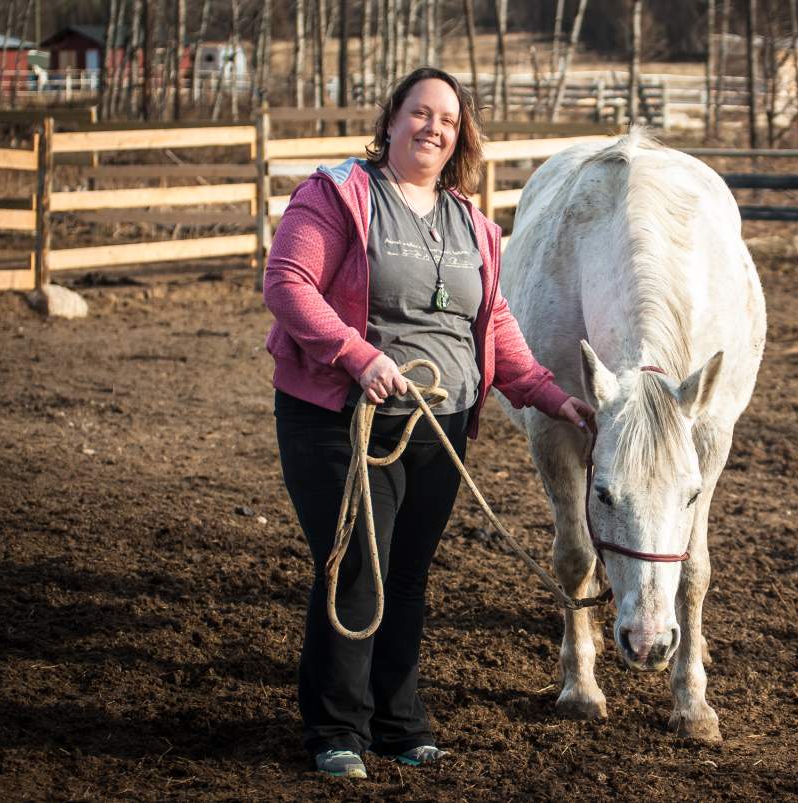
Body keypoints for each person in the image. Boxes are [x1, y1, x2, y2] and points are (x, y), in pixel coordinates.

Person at [263, 67, 593, 778]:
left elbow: (492, 317)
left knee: (407, 576)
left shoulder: (470, 221)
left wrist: (544, 390)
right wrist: (356, 355)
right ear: (390, 121)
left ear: (459, 137)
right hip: (344, 417)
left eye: (447, 118)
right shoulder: (340, 194)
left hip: (442, 423)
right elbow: (287, 283)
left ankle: (397, 718)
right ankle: (336, 729)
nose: (433, 127)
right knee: (356, 568)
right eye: (420, 112)